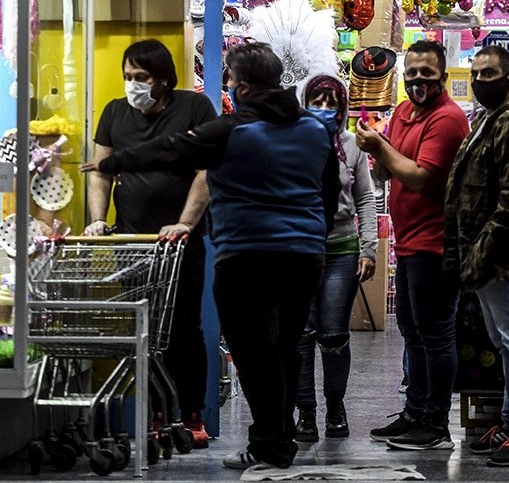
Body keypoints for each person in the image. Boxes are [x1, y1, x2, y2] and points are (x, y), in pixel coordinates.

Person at [81, 42, 339, 470]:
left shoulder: (232, 130)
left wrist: (113, 164)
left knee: (255, 354)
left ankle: (270, 444)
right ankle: (279, 436)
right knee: (286, 348)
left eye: (233, 81)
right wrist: (315, 234)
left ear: (244, 88)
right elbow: (329, 191)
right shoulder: (314, 129)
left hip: (247, 255)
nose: (230, 88)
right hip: (304, 255)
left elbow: (172, 149)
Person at [83, 39, 217, 447]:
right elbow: (100, 172)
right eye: (127, 77)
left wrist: (184, 223)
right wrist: (96, 221)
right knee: (146, 329)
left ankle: (192, 414)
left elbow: (205, 172)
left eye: (140, 78)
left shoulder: (195, 109)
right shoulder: (113, 113)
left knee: (183, 330)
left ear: (163, 79)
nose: (132, 85)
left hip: (180, 243)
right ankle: (156, 414)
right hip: (133, 239)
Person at [355, 40, 469, 450]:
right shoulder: (403, 112)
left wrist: (380, 147)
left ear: (442, 76)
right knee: (412, 331)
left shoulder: (448, 119)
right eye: (413, 72)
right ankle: (415, 412)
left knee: (435, 334)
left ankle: (436, 425)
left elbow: (422, 177)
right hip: (408, 243)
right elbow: (388, 174)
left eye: (427, 72)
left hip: (436, 245)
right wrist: (375, 150)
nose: (418, 79)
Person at [446, 45, 509, 466]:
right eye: (476, 73)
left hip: (504, 254)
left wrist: (484, 250)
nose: (481, 80)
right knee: (505, 344)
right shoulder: (492, 119)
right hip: (486, 253)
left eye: (490, 73)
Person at [295, 74, 377, 443]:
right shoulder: (291, 143)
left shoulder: (352, 146)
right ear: (304, 103)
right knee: (301, 335)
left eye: (332, 103)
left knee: (333, 334)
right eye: (317, 101)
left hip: (341, 249)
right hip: (299, 250)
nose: (325, 109)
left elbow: (365, 199)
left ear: (342, 108)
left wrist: (369, 248)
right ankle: (306, 412)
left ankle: (335, 406)